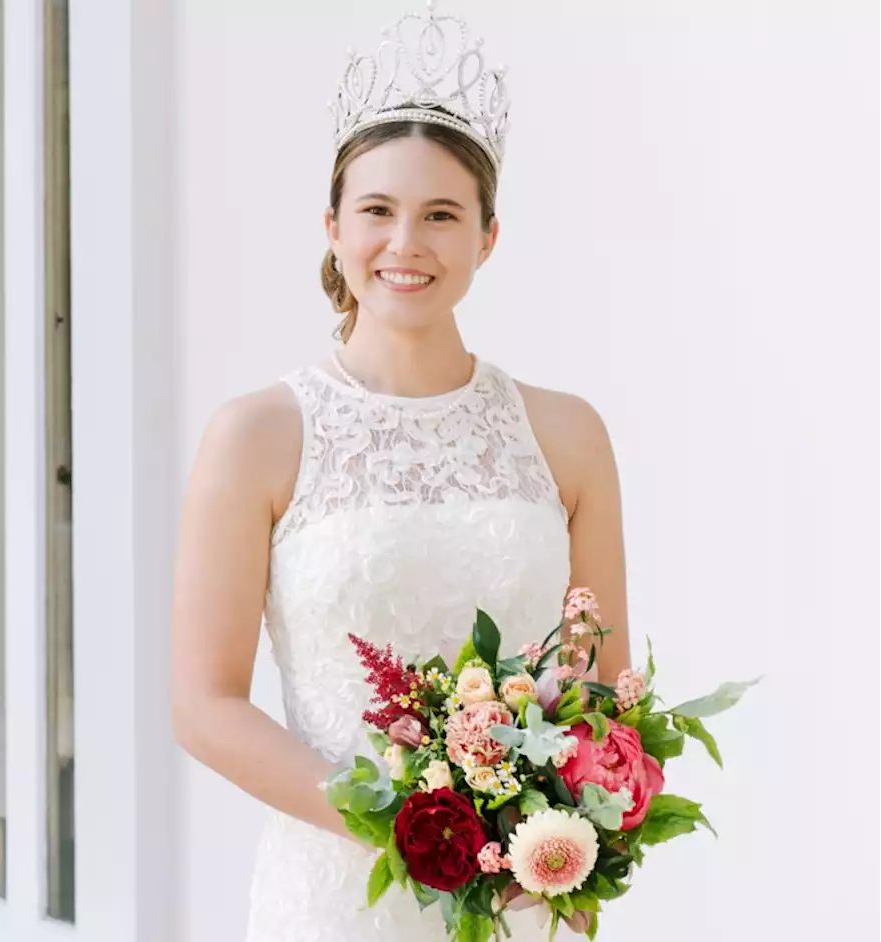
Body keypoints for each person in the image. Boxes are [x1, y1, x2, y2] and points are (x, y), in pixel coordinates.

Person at [171, 3, 631, 938]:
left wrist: (555, 842)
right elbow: (203, 704)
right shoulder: (256, 435)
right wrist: (406, 826)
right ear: (334, 227)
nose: (406, 243)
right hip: (339, 899)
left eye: (441, 215)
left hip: (518, 902)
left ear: (487, 238)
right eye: (377, 210)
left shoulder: (569, 436)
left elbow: (603, 696)